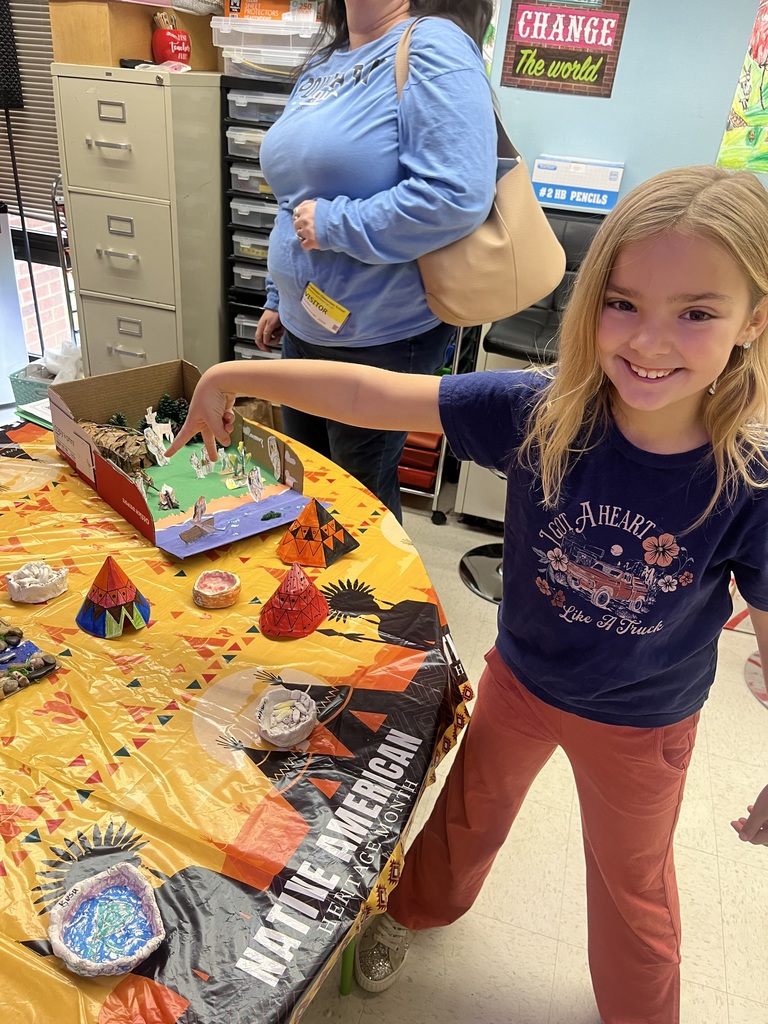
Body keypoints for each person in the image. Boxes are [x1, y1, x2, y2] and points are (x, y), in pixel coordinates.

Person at [167, 164, 768, 1024]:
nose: (648, 341)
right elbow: (372, 393)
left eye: (697, 313)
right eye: (623, 302)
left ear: (754, 320)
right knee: (465, 816)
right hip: (521, 681)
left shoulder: (749, 480)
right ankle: (413, 913)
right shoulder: (541, 413)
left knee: (634, 886)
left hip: (645, 724)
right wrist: (234, 376)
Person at [253, 0, 496, 522]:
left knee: (356, 504)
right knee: (307, 481)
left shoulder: (432, 44)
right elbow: (292, 196)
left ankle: (375, 605)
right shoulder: (326, 62)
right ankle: (314, 598)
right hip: (305, 326)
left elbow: (455, 196)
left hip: (380, 337)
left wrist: (336, 225)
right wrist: (279, 296)